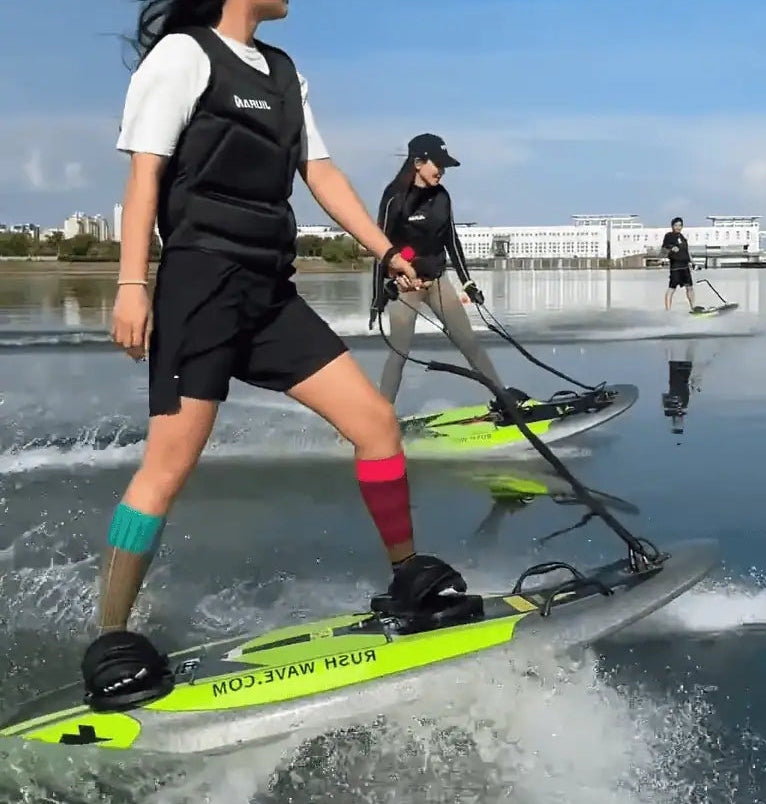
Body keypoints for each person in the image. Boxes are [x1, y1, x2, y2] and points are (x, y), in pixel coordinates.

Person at [81, 0, 466, 711]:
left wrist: (385, 252)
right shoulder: (184, 57)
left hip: (269, 291)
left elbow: (321, 175)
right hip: (200, 284)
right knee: (167, 468)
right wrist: (132, 284)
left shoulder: (287, 75)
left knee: (376, 422)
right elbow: (143, 178)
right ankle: (110, 638)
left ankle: (407, 576)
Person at [369, 133, 530, 410]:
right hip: (406, 286)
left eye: (444, 166)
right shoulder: (394, 197)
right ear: (418, 162)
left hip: (438, 281)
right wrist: (378, 296)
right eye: (437, 165)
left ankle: (504, 400)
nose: (442, 171)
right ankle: (381, 417)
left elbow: (451, 241)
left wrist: (468, 283)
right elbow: (379, 246)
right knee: (399, 354)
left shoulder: (442, 196)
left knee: (469, 343)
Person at [661, 216, 695, 311]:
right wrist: (671, 248)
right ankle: (668, 310)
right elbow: (663, 249)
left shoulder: (683, 238)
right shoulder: (669, 235)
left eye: (680, 225)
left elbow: (687, 251)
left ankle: (693, 308)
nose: (678, 227)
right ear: (672, 226)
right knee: (672, 288)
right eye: (676, 225)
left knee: (690, 287)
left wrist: (692, 262)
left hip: (685, 266)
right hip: (676, 267)